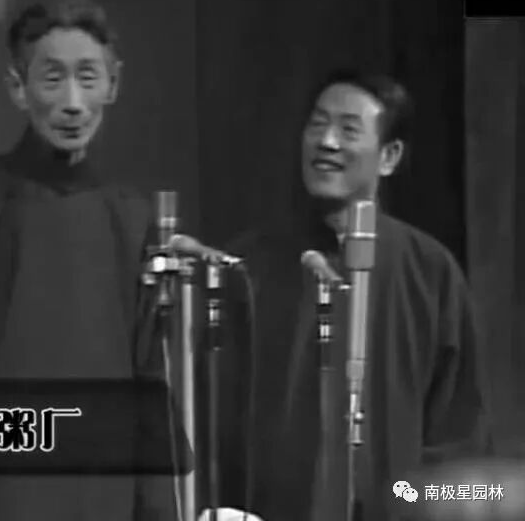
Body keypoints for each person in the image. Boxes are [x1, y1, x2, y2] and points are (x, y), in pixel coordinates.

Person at [0, 0, 177, 521]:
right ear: (17, 87)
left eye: (88, 77)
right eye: (52, 78)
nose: (72, 103)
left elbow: (149, 387)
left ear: (114, 83)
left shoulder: (133, 217)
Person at [201, 70, 492, 521]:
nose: (327, 142)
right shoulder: (250, 266)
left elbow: (460, 434)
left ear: (389, 156)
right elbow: (215, 420)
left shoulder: (429, 272)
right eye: (317, 124)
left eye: (348, 130)